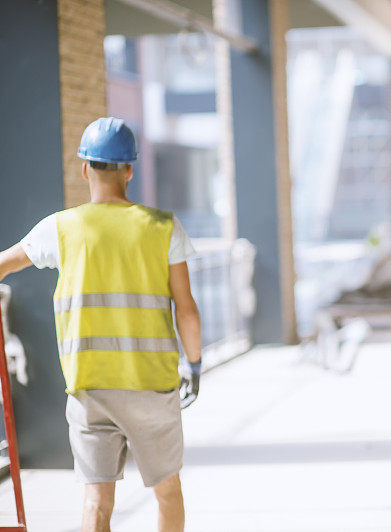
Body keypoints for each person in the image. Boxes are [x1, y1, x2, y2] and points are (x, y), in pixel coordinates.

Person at [0, 117, 202, 532]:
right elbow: (186, 308)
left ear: (84, 168)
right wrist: (194, 365)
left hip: (89, 386)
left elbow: (2, 265)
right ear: (129, 169)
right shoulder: (164, 228)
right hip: (151, 385)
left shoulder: (60, 228)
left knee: (96, 502)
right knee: (167, 493)